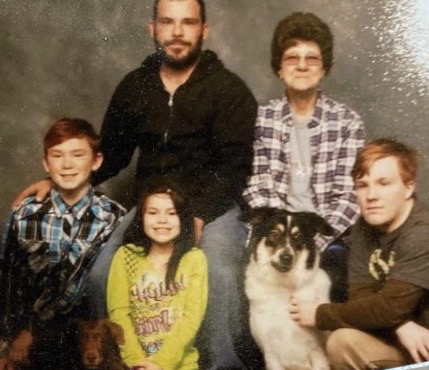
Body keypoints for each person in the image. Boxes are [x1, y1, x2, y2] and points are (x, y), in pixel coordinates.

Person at [13, 1, 257, 368]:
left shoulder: (230, 90)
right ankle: (117, 361)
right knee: (100, 273)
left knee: (218, 272)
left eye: (187, 23)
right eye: (167, 22)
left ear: (204, 30)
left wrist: (201, 215)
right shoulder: (135, 86)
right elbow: (111, 152)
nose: (177, 32)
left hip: (213, 205)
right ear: (153, 28)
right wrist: (56, 179)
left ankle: (221, 364)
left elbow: (236, 167)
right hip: (150, 207)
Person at [242, 12, 365, 301]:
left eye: (312, 58)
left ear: (324, 68)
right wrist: (276, 238)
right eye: (291, 58)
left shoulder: (347, 122)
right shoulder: (262, 118)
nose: (301, 65)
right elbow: (258, 185)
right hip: (272, 234)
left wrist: (310, 243)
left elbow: (349, 197)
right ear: (279, 68)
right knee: (241, 275)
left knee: (333, 281)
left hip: (326, 236)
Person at [289, 138, 429, 369]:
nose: (371, 196)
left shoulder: (422, 232)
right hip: (402, 340)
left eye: (384, 183)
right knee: (342, 342)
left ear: (409, 187)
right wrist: (399, 325)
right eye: (363, 185)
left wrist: (320, 314)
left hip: (424, 344)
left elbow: (389, 309)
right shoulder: (364, 226)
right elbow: (360, 295)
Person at [0, 118, 126, 370]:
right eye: (57, 156)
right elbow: (8, 281)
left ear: (96, 161)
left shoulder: (115, 218)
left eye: (78, 154)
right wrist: (6, 342)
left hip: (88, 341)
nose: (67, 165)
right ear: (46, 163)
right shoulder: (24, 214)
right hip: (29, 343)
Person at [107, 183, 207, 370]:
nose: (162, 220)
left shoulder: (194, 259)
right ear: (141, 218)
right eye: (152, 213)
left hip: (181, 365)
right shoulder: (126, 256)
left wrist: (160, 365)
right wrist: (137, 362)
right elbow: (119, 314)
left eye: (171, 213)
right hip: (135, 364)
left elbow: (191, 319)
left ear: (183, 219)